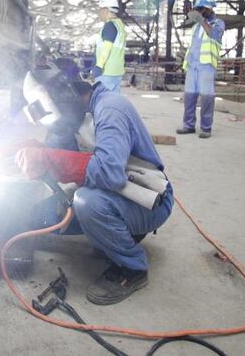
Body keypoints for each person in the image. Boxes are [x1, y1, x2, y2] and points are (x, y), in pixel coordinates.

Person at [16, 65, 173, 305]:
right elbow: (59, 156)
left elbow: (110, 173)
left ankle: (132, 268)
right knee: (41, 216)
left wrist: (50, 158)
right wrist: (36, 152)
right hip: (119, 194)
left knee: (88, 203)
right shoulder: (72, 117)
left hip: (149, 200)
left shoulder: (110, 108)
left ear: (66, 97)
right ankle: (115, 234)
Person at [176, 0, 225, 138]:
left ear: (209, 9)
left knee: (206, 98)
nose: (199, 12)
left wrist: (202, 21)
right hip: (193, 66)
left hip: (206, 66)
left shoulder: (218, 23)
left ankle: (206, 128)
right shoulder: (196, 26)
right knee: (189, 97)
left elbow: (214, 35)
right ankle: (188, 125)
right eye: (197, 10)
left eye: (201, 10)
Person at [89, 0, 127, 93]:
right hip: (117, 72)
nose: (99, 14)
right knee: (112, 101)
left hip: (106, 72)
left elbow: (107, 48)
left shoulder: (109, 25)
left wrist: (98, 66)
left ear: (106, 10)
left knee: (102, 100)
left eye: (100, 10)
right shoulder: (120, 25)